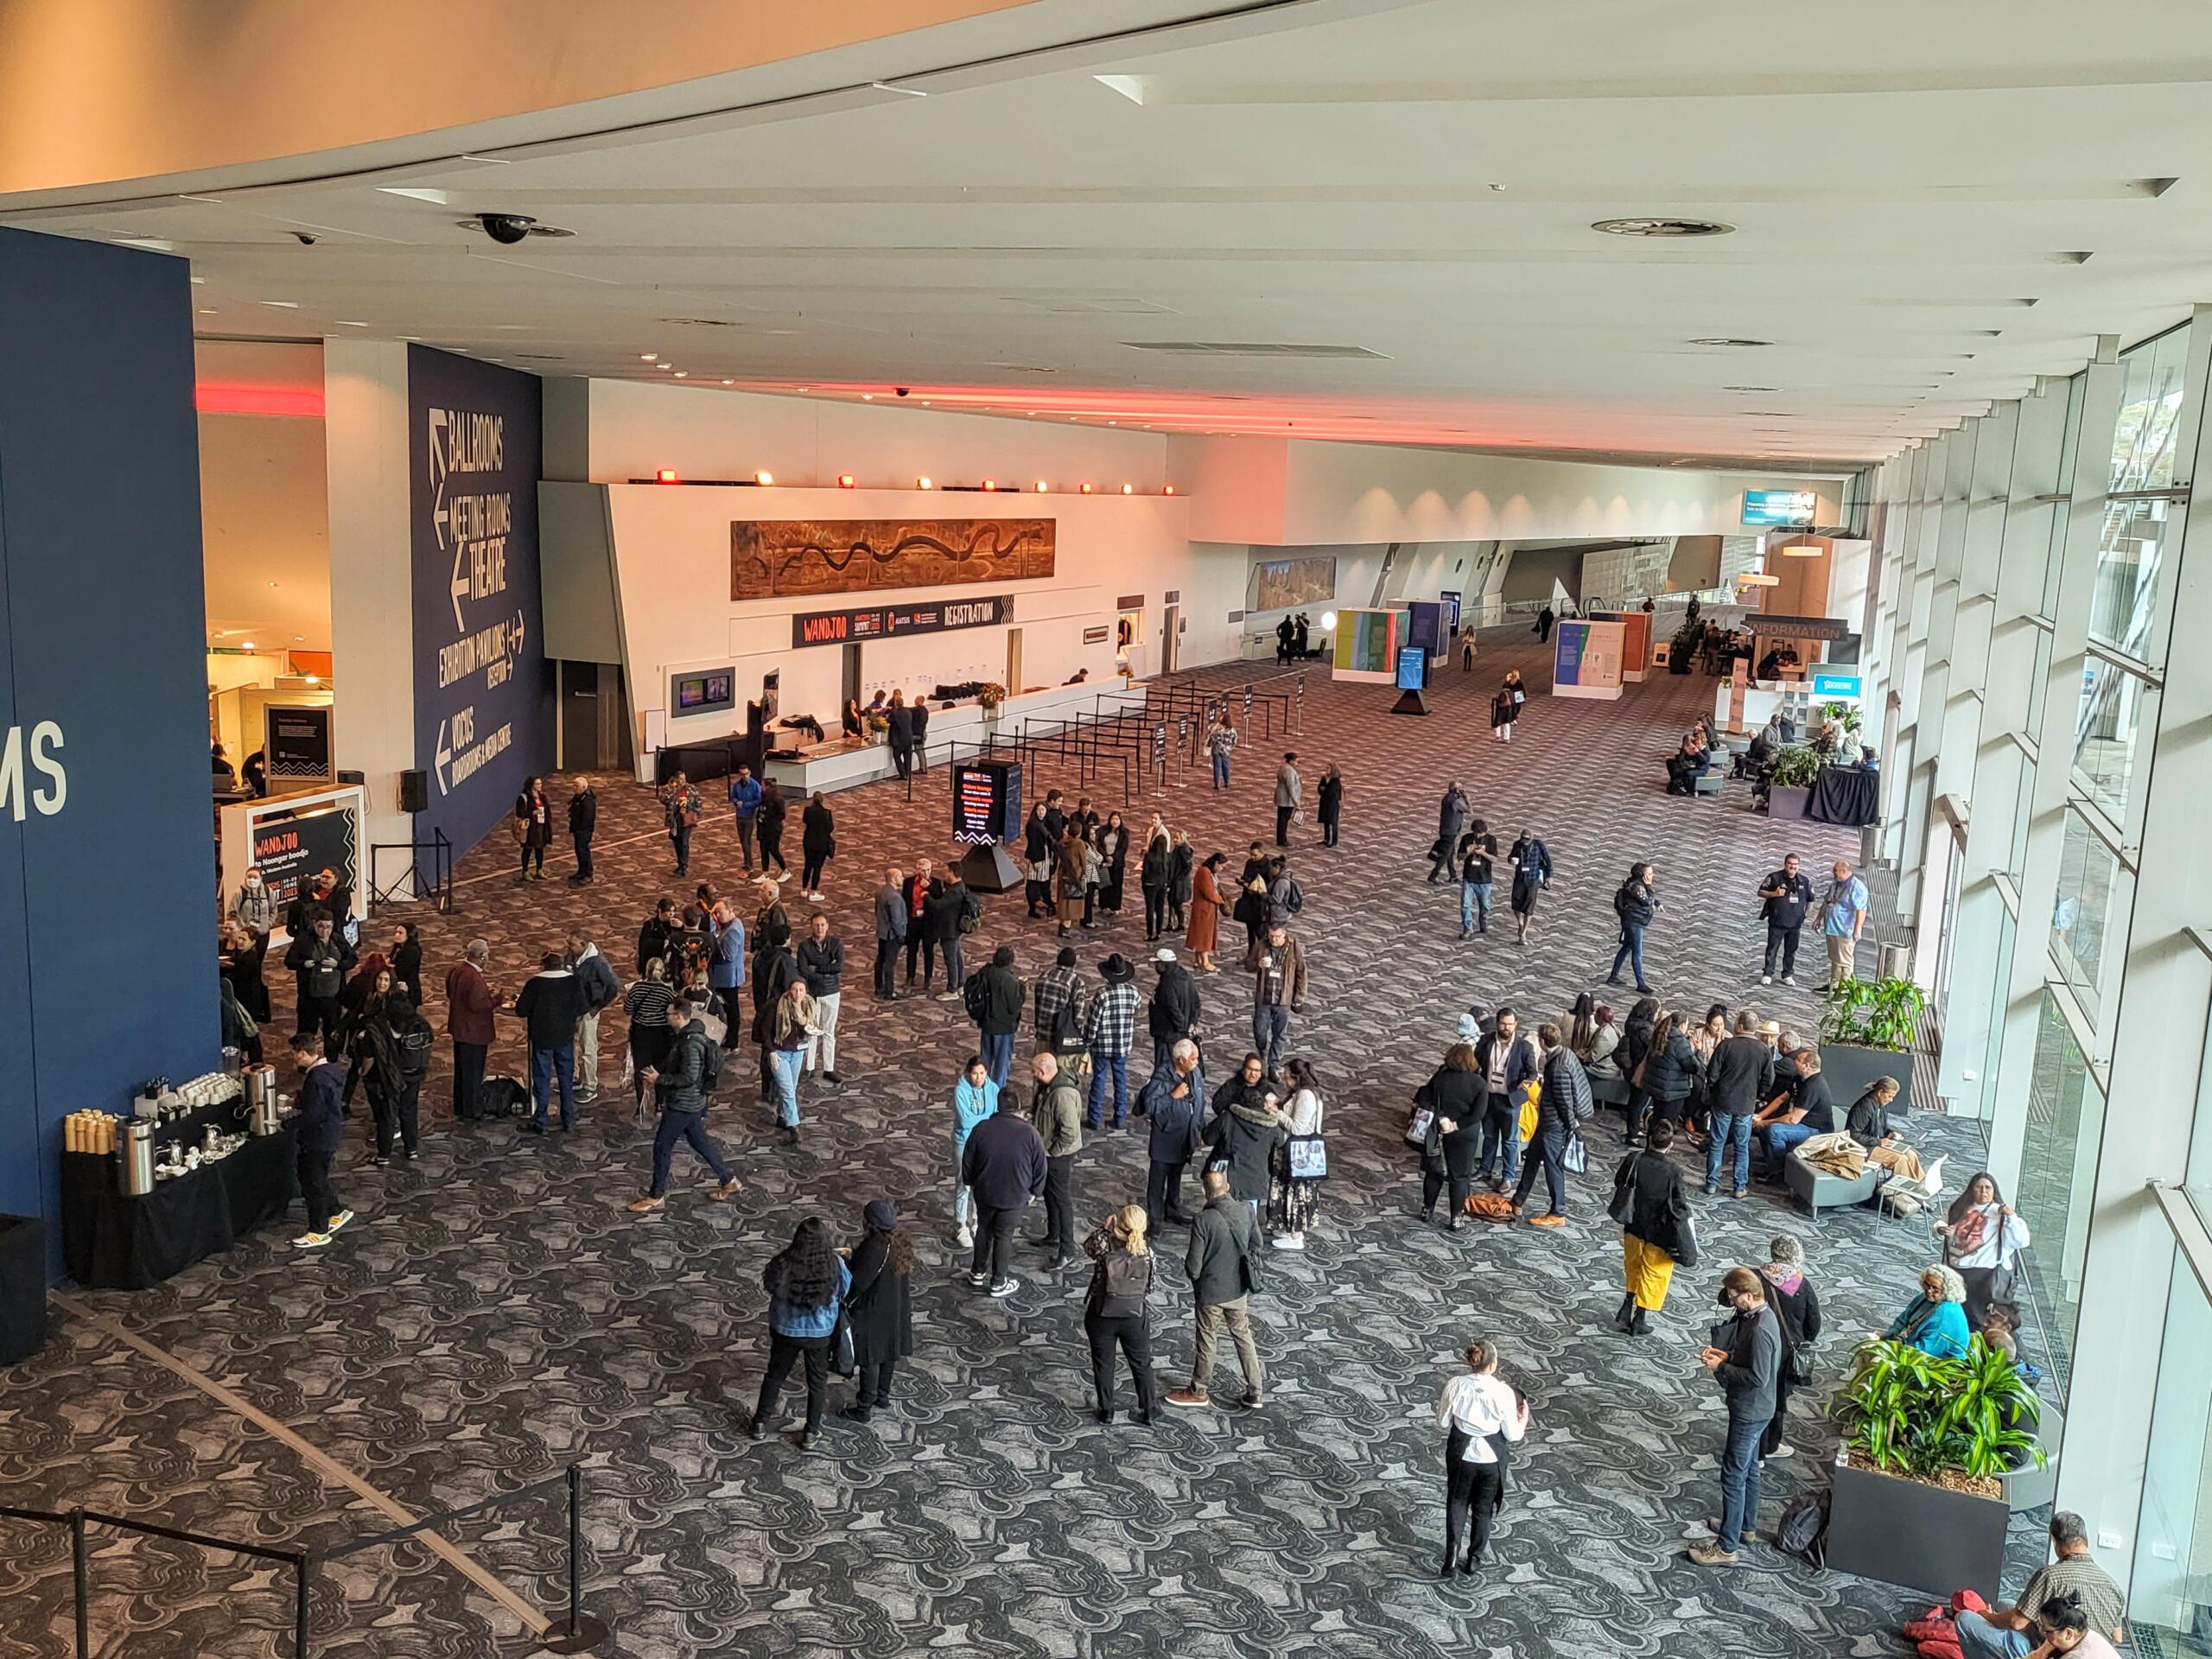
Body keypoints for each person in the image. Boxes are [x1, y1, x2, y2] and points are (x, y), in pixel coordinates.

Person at [1905, 1514, 2129, 1658]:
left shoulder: (2051, 1575)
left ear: (2056, 1544)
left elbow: (2017, 1622)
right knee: (2006, 1603)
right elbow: (2117, 1638)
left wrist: (1986, 1616)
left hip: (2047, 1650)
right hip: (2080, 1646)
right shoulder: (2114, 1587)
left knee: (1965, 1619)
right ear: (2086, 1541)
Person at [1688, 1265, 1781, 1567]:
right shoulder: (1760, 1319)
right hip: (1759, 1408)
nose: (1730, 1300)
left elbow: (1758, 1376)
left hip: (1750, 1411)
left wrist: (1722, 1369)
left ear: (1751, 1296)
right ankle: (1744, 1527)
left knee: (1733, 1474)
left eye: (1734, 1295)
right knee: (1750, 1468)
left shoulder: (1761, 1330)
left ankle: (1727, 1546)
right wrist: (1727, 1357)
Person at [626, 995, 741, 1212]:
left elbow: (689, 1077)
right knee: (699, 1141)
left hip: (684, 1103)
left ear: (678, 1016)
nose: (666, 1017)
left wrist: (659, 1079)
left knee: (662, 1146)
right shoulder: (686, 1037)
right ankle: (728, 1179)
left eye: (668, 1014)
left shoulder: (691, 1044)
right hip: (691, 1102)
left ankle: (656, 1195)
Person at [1166, 1171, 1266, 1410]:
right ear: (1228, 1186)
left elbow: (1193, 1266)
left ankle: (1199, 1391)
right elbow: (1257, 1244)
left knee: (1207, 1340)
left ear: (1204, 1192)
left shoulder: (1204, 1220)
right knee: (1243, 1336)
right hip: (1238, 1289)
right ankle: (1256, 1391)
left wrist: (1199, 1278)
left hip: (1211, 1292)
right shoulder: (1246, 1210)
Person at [748, 1218, 850, 1450]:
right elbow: (845, 1289)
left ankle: (760, 1423)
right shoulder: (835, 1264)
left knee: (775, 1375)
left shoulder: (784, 1261)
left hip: (785, 1329)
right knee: (817, 1382)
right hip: (820, 1332)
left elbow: (769, 1285)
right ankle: (811, 1432)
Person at [1434, 1338, 1529, 1578]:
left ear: (1471, 1361)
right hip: (1491, 1459)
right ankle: (1474, 1559)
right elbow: (1512, 1435)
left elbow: (1443, 1421)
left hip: (1461, 1455)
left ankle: (1451, 1558)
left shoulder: (1455, 1384)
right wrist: (1524, 1417)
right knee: (1483, 1510)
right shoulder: (1503, 1392)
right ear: (1494, 1364)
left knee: (1456, 1503)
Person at [963, 1082, 1047, 1297]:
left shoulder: (981, 1129)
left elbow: (968, 1161)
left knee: (983, 1230)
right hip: (1015, 1196)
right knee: (1003, 1236)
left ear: (996, 1107)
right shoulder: (1030, 1133)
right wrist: (1033, 1193)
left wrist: (971, 1182)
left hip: (985, 1192)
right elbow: (1040, 1166)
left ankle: (977, 1272)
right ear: (1018, 1107)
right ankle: (998, 1282)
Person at [1613, 1120, 1693, 1334]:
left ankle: (1627, 1304)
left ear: (1648, 1139)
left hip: (1633, 1223)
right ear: (1670, 1145)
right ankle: (1640, 1316)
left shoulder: (1634, 1159)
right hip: (1659, 1231)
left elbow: (1619, 1181)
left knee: (1633, 1265)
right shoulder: (1672, 1170)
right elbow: (1679, 1204)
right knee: (1654, 1272)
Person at [1082, 1205, 1159, 1425]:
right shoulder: (1148, 1254)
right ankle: (1149, 1410)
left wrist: (1105, 1229)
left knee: (1104, 1363)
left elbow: (1088, 1247)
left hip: (1101, 1314)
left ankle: (1107, 1411)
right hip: (1134, 1316)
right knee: (1141, 1363)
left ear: (1118, 1223)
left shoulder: (1104, 1246)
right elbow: (1150, 1288)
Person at [840, 1199, 914, 1425]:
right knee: (888, 1353)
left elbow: (859, 1281)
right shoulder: (899, 1242)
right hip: (895, 1308)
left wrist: (845, 1261)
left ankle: (864, 1407)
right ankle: (883, 1395)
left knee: (870, 1357)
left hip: (873, 1310)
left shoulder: (874, 1247)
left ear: (870, 1223)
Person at [1511, 1024, 1590, 1227]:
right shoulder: (1564, 1054)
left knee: (1553, 1166)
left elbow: (1564, 1102)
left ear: (1542, 1042)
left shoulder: (1558, 1067)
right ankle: (1518, 1200)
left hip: (1554, 1124)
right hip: (1548, 1122)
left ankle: (1558, 1211)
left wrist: (1572, 1127)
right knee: (1532, 1159)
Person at [1937, 1172, 2031, 1329]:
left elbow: (2021, 1240)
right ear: (1971, 1189)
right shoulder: (1959, 1207)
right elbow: (1942, 1221)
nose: (1984, 1192)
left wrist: (2011, 1217)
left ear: (1994, 1190)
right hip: (1957, 1269)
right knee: (1956, 1313)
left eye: (1988, 1188)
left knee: (1977, 1318)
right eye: (1979, 1187)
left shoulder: (2000, 1213)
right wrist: (1940, 1229)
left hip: (1984, 1274)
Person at [288, 1032, 353, 1249]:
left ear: (303, 1053)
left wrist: (288, 1126)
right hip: (330, 1132)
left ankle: (318, 1230)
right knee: (319, 1177)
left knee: (312, 1182)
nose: (293, 1058)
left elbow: (312, 1115)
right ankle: (336, 1211)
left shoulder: (316, 1078)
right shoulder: (330, 1070)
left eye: (294, 1054)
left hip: (318, 1138)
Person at [1758, 1234, 1820, 1461]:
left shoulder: (1757, 1277)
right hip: (1785, 1352)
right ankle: (1770, 1446)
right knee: (1777, 1399)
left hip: (1755, 1345)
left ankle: (1751, 1444)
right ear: (1796, 1257)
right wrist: (1805, 1339)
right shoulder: (1801, 1284)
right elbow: (1814, 1322)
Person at [1703, 1011, 1775, 1198]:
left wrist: (1714, 1090)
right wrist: (1758, 1095)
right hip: (1746, 1104)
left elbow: (1712, 1074)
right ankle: (1739, 1187)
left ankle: (1711, 1183)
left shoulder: (1726, 1045)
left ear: (1740, 1026)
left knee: (1717, 1143)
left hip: (1723, 1102)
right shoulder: (1764, 1050)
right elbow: (1769, 1080)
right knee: (1742, 1146)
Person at [513, 951, 587, 1134]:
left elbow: (521, 1010)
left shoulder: (535, 984)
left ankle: (541, 1121)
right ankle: (568, 1120)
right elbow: (583, 1008)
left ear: (543, 965)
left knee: (542, 1079)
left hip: (542, 1038)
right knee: (565, 1079)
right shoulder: (572, 982)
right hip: (565, 1038)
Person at [1141, 1038, 1207, 1230]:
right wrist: (1172, 1097)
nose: (1196, 1062)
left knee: (1176, 1176)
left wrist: (1199, 1126)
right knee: (1157, 1182)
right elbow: (1150, 1106)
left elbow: (1200, 1100)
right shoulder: (1161, 1077)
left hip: (1184, 1136)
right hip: (1165, 1138)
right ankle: (1155, 1220)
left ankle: (1172, 1210)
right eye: (1193, 1059)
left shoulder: (1194, 1074)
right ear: (1180, 1060)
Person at [1030, 1051, 1085, 1271]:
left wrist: (1052, 1151)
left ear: (1043, 1071)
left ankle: (1067, 1249)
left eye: (1034, 1072)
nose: (1033, 1075)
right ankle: (1053, 1235)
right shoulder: (1052, 1085)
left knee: (1061, 1199)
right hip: (1053, 1152)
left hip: (1059, 1155)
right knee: (1051, 1194)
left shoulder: (1061, 1094)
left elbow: (1069, 1132)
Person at [1473, 1010, 1537, 1189]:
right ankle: (1485, 1169)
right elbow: (1475, 1063)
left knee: (1509, 1140)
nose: (1506, 1028)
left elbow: (1532, 1072)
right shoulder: (1486, 1041)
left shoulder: (1524, 1047)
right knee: (1489, 1136)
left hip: (1510, 1100)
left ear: (1516, 1024)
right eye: (1503, 1024)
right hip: (1489, 1096)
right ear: (1497, 1023)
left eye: (1510, 1024)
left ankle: (1508, 1176)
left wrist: (1527, 1082)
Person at [1268, 1058, 1325, 1248]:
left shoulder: (1306, 1096)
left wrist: (1276, 1112)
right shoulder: (1300, 1093)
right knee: (1290, 1190)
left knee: (1296, 1191)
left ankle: (1296, 1235)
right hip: (1293, 1152)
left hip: (1298, 1153)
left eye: (1287, 1077)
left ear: (1296, 1077)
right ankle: (1289, 1227)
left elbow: (1298, 1128)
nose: (1284, 1081)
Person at [1751, 1046, 1833, 1177]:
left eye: (1798, 1060)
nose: (1794, 1061)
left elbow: (1793, 1119)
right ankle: (1772, 1161)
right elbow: (1782, 1098)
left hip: (1815, 1129)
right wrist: (1759, 1116)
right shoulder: (1799, 1078)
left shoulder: (1814, 1086)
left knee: (1774, 1131)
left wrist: (1764, 1123)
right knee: (1765, 1128)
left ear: (1806, 1066)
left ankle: (1780, 1170)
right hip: (1802, 1122)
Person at [1084, 952, 1141, 1129]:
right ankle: (1120, 1117)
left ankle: (1095, 1118)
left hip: (1102, 1046)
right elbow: (1136, 1013)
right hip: (1123, 1045)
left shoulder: (1102, 995)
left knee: (1098, 1081)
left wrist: (1088, 1042)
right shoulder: (1134, 993)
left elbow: (1093, 1023)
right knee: (1120, 1080)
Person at [285, 911, 355, 1052]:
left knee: (332, 1031)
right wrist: (303, 964)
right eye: (321, 927)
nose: (325, 931)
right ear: (314, 924)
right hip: (309, 998)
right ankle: (304, 1059)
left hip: (332, 997)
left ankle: (331, 1058)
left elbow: (352, 959)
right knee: (306, 1032)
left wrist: (338, 965)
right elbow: (289, 961)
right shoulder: (303, 940)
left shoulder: (338, 940)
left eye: (328, 927)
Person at [949, 1055, 998, 1249]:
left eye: (982, 1073)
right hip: (964, 1142)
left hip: (986, 1142)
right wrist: (986, 1119)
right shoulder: (960, 1090)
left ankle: (978, 1221)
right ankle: (961, 1224)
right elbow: (965, 1121)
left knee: (982, 1184)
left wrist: (982, 1119)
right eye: (975, 1074)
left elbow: (995, 1116)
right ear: (968, 1073)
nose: (979, 1078)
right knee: (964, 1184)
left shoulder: (993, 1089)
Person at [567, 930, 620, 1105]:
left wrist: (597, 1008)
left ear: (583, 945)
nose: (568, 947)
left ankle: (590, 1086)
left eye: (572, 944)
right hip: (573, 1009)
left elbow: (612, 986)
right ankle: (574, 1077)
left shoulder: (597, 963)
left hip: (588, 1010)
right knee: (572, 1044)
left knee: (588, 1048)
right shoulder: (572, 957)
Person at [621, 958, 677, 1116]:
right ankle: (659, 1103)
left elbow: (628, 1009)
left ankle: (641, 1104)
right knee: (660, 1067)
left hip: (640, 1032)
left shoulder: (636, 988)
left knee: (641, 1068)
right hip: (661, 1033)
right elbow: (671, 1011)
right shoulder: (667, 991)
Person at [796, 911, 845, 1085]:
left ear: (827, 926)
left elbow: (839, 966)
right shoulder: (804, 946)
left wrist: (817, 969)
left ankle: (828, 1068)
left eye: (823, 925)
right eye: (816, 925)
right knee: (812, 1031)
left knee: (829, 1032)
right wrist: (825, 971)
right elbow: (803, 970)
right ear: (811, 926)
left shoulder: (835, 943)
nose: (820, 928)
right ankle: (809, 1068)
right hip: (813, 994)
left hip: (832, 994)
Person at [766, 976, 817, 1143]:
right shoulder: (777, 1006)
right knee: (788, 1090)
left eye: (801, 990)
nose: (798, 993)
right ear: (789, 990)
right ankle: (794, 1128)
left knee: (791, 1087)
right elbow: (764, 1031)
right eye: (795, 989)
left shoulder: (807, 1005)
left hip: (797, 1052)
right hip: (780, 1053)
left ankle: (782, 1116)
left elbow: (810, 1026)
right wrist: (771, 1051)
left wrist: (810, 1032)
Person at [1846, 1076, 1926, 1180]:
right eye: (1889, 1096)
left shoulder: (1880, 1105)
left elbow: (1880, 1128)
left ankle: (1921, 1184)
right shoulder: (1864, 1108)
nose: (1891, 1100)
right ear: (1880, 1092)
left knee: (1911, 1154)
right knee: (1900, 1159)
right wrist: (1879, 1142)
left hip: (1876, 1143)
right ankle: (1901, 1192)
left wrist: (1890, 1134)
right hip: (1865, 1148)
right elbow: (1852, 1135)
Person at [1886, 1264, 1973, 1359]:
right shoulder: (1925, 1298)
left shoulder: (1946, 1314)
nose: (1929, 1291)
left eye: (1935, 1288)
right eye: (1927, 1285)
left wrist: (1893, 1347)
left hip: (1938, 1361)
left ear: (1946, 1290)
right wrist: (1888, 1335)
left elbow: (1926, 1350)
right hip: (1912, 1346)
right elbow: (1903, 1319)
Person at [969, 944, 1026, 1087]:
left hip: (987, 1023)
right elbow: (1014, 1007)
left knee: (985, 1060)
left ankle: (982, 1088)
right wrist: (1022, 990)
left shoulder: (986, 972)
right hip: (1004, 1027)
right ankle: (996, 1094)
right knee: (1001, 1065)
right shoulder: (1009, 980)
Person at [1145, 946, 1201, 1091]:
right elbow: (1197, 1003)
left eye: (1157, 963)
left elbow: (1172, 1009)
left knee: (1164, 1070)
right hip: (1181, 1033)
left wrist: (1181, 1026)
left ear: (1164, 965)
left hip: (1167, 1035)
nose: (1155, 967)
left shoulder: (1167, 984)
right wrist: (1191, 1025)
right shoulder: (1186, 977)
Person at [1758, 854, 1815, 985]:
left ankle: (1787, 974)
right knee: (1772, 948)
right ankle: (1768, 973)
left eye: (1795, 864)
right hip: (1777, 921)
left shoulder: (1804, 881)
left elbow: (1811, 899)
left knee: (1791, 950)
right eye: (1790, 864)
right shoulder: (1774, 877)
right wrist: (1774, 894)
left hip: (1795, 923)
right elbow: (1761, 892)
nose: (1792, 867)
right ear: (1785, 864)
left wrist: (1806, 914)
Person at [228, 868, 276, 1020]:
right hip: (245, 936)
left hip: (262, 935)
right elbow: (232, 912)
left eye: (255, 877)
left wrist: (268, 924)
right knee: (245, 966)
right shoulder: (240, 893)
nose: (252, 880)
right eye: (249, 877)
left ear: (261, 878)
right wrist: (242, 928)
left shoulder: (268, 892)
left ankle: (259, 1006)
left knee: (257, 967)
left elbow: (274, 910)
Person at [926, 859, 973, 1002]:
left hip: (949, 930)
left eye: (946, 871)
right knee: (957, 957)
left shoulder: (954, 892)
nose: (944, 873)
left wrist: (925, 895)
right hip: (955, 929)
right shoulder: (961, 886)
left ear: (951, 873)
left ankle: (952, 989)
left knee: (951, 959)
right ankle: (960, 984)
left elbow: (938, 905)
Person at [1819, 858, 1871, 988]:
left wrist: (1857, 929)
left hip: (1845, 929)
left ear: (1844, 871)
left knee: (1845, 960)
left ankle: (1845, 988)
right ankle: (1834, 984)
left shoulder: (1857, 887)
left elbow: (1861, 909)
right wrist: (1819, 918)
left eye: (1835, 871)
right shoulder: (1835, 884)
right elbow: (1827, 901)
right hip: (1832, 927)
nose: (1833, 873)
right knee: (1835, 958)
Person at [706, 899, 748, 1054]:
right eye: (716, 913)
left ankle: (732, 1042)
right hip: (725, 977)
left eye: (720, 913)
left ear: (731, 911)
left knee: (731, 1011)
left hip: (728, 978)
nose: (718, 916)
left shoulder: (733, 931)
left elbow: (728, 956)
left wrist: (714, 951)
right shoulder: (730, 925)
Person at [1607, 862, 1658, 991]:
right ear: (1643, 875)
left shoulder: (1638, 886)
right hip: (1634, 923)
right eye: (1650, 874)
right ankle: (1641, 983)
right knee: (1637, 953)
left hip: (1633, 921)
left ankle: (1613, 976)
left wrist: (1656, 901)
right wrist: (1649, 887)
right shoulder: (1638, 888)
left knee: (1626, 948)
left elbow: (1649, 899)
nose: (1652, 875)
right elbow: (1646, 900)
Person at [1506, 830, 1551, 946]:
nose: (1524, 841)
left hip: (1533, 879)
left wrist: (1550, 877)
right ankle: (1520, 924)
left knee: (1529, 906)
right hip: (1520, 878)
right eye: (1523, 838)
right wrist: (1511, 860)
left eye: (1527, 839)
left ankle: (1523, 933)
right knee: (1516, 903)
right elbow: (1510, 856)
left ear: (1532, 838)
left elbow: (1548, 860)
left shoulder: (1538, 845)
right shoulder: (1517, 845)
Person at [1187, 850, 1228, 973]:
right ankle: (1205, 962)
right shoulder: (1205, 872)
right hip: (1205, 909)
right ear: (1215, 863)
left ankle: (1198, 959)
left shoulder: (1207, 871)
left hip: (1205, 908)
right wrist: (1221, 901)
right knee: (1204, 934)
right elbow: (1208, 892)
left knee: (1201, 933)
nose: (1221, 869)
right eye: (1221, 866)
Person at [1455, 828, 1496, 940]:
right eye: (1476, 833)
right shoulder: (1466, 838)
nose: (1478, 836)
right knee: (1465, 905)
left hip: (1484, 879)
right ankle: (1467, 928)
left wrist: (1483, 853)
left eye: (1480, 833)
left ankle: (1483, 922)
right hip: (1469, 877)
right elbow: (1459, 858)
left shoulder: (1491, 840)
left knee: (1485, 905)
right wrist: (1467, 852)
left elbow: (1494, 859)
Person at [873, 865, 906, 1001]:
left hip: (882, 932)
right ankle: (889, 991)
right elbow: (896, 919)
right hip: (892, 934)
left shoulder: (880, 892)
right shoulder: (895, 897)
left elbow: (877, 912)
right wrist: (900, 935)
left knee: (880, 960)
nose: (902, 879)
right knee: (889, 963)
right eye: (900, 876)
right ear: (893, 879)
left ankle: (879, 987)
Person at [903, 858, 938, 988]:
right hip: (913, 921)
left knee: (929, 951)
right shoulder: (908, 883)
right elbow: (905, 901)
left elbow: (939, 898)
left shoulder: (936, 883)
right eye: (923, 870)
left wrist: (929, 887)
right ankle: (910, 977)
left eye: (928, 870)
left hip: (928, 923)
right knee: (912, 951)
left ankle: (928, 979)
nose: (926, 873)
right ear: (917, 870)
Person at [661, 771, 702, 876]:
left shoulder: (691, 789)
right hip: (675, 820)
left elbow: (698, 803)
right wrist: (671, 789)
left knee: (684, 842)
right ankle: (680, 863)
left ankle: (684, 866)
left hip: (687, 820)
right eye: (681, 779)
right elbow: (663, 799)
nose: (683, 781)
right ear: (676, 780)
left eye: (684, 779)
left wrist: (691, 812)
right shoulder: (670, 789)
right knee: (676, 841)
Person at [1140, 818, 1173, 942]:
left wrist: (1143, 881)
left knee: (1150, 908)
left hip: (1150, 884)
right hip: (1162, 884)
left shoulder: (1150, 857)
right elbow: (1169, 873)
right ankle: (1158, 932)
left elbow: (1146, 872)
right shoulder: (1168, 858)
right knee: (1160, 909)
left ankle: (1149, 933)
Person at [513, 775, 551, 881]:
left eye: (540, 783)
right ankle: (525, 871)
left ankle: (539, 870)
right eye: (538, 784)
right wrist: (532, 813)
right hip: (530, 828)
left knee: (540, 849)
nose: (540, 785)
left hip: (541, 826)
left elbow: (547, 809)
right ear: (531, 785)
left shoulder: (542, 796)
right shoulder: (524, 797)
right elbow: (520, 812)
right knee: (528, 849)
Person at [1022, 801, 1057, 918]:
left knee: (1045, 883)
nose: (1041, 812)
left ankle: (1047, 904)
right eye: (1039, 810)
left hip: (1045, 856)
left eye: (1043, 810)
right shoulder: (1033, 825)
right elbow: (1033, 844)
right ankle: (1032, 909)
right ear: (1035, 811)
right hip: (1036, 858)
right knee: (1033, 884)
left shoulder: (1045, 823)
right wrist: (1034, 861)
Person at [1430, 783, 1469, 885]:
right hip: (1450, 831)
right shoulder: (1455, 801)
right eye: (1461, 788)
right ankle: (1433, 875)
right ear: (1456, 790)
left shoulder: (1447, 798)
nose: (1463, 789)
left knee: (1450, 853)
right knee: (1446, 854)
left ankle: (1453, 875)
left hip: (1446, 829)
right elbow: (1470, 810)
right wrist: (1466, 798)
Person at [798, 791, 835, 901]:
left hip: (809, 842)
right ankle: (813, 891)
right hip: (821, 844)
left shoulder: (807, 811)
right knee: (817, 868)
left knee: (808, 866)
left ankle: (804, 889)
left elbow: (804, 821)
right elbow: (831, 828)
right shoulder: (827, 813)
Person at [728, 764, 763, 872]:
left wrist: (745, 804)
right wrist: (736, 802)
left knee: (746, 840)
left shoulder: (755, 785)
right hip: (739, 816)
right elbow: (733, 796)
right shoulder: (737, 785)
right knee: (742, 839)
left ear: (749, 773)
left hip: (749, 816)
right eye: (742, 774)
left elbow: (758, 800)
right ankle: (747, 862)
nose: (744, 776)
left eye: (746, 774)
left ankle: (749, 864)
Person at [564, 777, 597, 885]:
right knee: (579, 851)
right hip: (578, 828)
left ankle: (588, 874)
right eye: (573, 785)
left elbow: (587, 817)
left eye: (576, 786)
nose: (574, 788)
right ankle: (581, 871)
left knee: (584, 851)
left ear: (584, 787)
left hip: (584, 830)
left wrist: (581, 828)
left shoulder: (587, 800)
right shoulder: (579, 797)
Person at [1097, 811, 1131, 916]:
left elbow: (1123, 849)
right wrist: (1106, 856)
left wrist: (1113, 858)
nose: (1114, 821)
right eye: (1113, 819)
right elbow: (1098, 845)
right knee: (1104, 884)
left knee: (1116, 885)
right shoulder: (1103, 831)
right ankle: (1104, 905)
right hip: (1104, 861)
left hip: (1117, 863)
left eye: (1117, 819)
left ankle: (1115, 907)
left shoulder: (1124, 833)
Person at [757, 778, 791, 880]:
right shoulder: (763, 796)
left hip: (773, 830)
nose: (761, 787)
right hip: (763, 828)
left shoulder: (777, 799)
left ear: (768, 786)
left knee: (774, 850)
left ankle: (785, 871)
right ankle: (765, 874)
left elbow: (782, 815)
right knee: (763, 850)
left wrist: (769, 820)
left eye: (762, 785)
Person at [1664, 730, 1713, 797]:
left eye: (1698, 744)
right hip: (1698, 768)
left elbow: (1705, 760)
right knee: (1683, 770)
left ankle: (1690, 790)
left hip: (1702, 770)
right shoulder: (1700, 750)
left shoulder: (1706, 751)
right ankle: (1681, 785)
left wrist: (1697, 753)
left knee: (1689, 773)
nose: (1697, 745)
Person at [1169, 831, 1195, 932]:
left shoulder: (1183, 851)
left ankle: (1181, 924)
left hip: (1180, 883)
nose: (1175, 840)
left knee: (1177, 903)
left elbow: (1188, 867)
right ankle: (1173, 923)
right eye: (1174, 838)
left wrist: (1179, 877)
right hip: (1175, 880)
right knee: (1173, 902)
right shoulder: (1177, 848)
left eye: (1177, 838)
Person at [1274, 752, 1301, 847]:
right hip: (1287, 799)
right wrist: (1296, 800)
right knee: (1284, 820)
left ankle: (1281, 838)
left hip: (1282, 798)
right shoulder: (1289, 771)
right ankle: (1282, 840)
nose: (1297, 763)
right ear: (1291, 761)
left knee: (1282, 819)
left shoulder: (1283, 767)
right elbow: (1291, 787)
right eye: (1296, 761)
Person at [886, 689, 914, 780]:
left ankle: (903, 774)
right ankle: (907, 773)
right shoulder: (908, 712)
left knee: (897, 756)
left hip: (899, 739)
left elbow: (888, 721)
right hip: (909, 738)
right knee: (907, 757)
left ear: (896, 704)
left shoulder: (895, 713)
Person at [1206, 712, 1238, 789]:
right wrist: (1230, 748)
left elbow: (1212, 735)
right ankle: (1226, 782)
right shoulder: (1232, 730)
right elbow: (1235, 740)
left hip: (1216, 749)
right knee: (1226, 766)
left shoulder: (1217, 728)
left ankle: (1216, 784)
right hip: (1226, 750)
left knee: (1217, 767)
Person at [1316, 765, 1343, 849]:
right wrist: (1323, 790)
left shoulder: (1336, 780)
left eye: (1328, 768)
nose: (1326, 769)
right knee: (1326, 821)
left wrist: (1324, 790)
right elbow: (1319, 788)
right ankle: (1326, 839)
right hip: (1324, 802)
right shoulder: (1324, 778)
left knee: (1333, 822)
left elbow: (1330, 791)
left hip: (1332, 804)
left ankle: (1334, 841)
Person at [909, 695, 931, 772]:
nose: (914, 701)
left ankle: (922, 768)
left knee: (919, 750)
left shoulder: (917, 710)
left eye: (915, 699)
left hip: (918, 733)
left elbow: (909, 710)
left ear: (918, 700)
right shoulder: (925, 710)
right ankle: (924, 767)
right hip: (923, 732)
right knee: (921, 750)